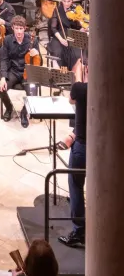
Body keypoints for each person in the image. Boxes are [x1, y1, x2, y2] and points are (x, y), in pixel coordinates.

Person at [58, 69, 87, 248]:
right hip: (103, 146)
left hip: (82, 148)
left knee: (76, 186)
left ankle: (79, 231)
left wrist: (78, 76)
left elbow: (71, 98)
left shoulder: (80, 88)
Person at [0, 16, 36, 125]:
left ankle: (24, 113)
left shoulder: (32, 40)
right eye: (16, 28)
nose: (19, 31)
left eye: (21, 29)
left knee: (33, 92)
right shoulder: (8, 40)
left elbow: (39, 63)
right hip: (13, 71)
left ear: (25, 28)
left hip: (27, 72)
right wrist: (3, 77)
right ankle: (9, 108)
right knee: (0, 89)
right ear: (13, 28)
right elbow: (4, 59)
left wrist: (37, 55)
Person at [47, 0, 84, 70]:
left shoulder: (76, 10)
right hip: (59, 35)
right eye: (64, 1)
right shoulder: (57, 10)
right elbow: (53, 28)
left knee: (77, 54)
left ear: (72, 0)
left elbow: (79, 27)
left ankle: (74, 75)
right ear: (61, 0)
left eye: (69, 1)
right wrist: (61, 40)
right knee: (58, 52)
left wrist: (83, 27)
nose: (66, 3)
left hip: (72, 36)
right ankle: (60, 74)